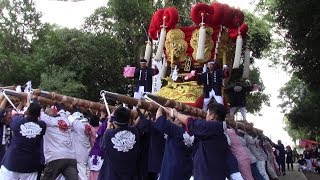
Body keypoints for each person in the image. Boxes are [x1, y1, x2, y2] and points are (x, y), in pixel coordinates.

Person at [170, 103, 229, 180]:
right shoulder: (219, 130)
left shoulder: (214, 126)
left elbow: (193, 123)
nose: (205, 117)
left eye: (207, 114)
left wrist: (176, 114)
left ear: (212, 116)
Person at [0, 102, 46, 180]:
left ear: (27, 112)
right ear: (39, 115)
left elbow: (14, 114)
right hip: (31, 165)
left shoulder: (17, 121)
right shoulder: (42, 125)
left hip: (11, 162)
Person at [98, 106, 140, 180]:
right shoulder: (135, 131)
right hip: (130, 174)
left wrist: (108, 126)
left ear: (114, 121)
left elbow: (102, 145)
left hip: (112, 175)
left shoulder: (109, 134)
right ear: (129, 120)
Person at [40, 103, 78, 180]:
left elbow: (36, 110)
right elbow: (62, 110)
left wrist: (33, 97)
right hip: (70, 156)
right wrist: (57, 102)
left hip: (56, 157)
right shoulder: (65, 120)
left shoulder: (48, 120)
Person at [153, 107, 193, 180]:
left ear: (180, 121)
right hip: (185, 169)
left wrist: (161, 107)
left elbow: (158, 118)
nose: (175, 120)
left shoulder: (176, 131)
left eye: (177, 119)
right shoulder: (194, 133)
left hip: (171, 171)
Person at [69, 111, 91, 180]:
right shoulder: (87, 124)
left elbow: (70, 119)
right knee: (88, 172)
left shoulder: (78, 125)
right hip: (88, 150)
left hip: (80, 152)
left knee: (82, 173)